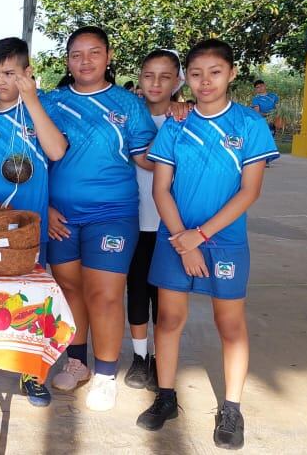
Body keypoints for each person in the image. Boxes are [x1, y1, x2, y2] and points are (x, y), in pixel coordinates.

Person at [136, 39, 278, 450]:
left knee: (230, 326)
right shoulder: (177, 124)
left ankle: (231, 408)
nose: (205, 82)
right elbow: (162, 188)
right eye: (196, 74)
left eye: (215, 72)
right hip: (175, 238)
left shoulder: (250, 125)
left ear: (232, 73)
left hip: (224, 242)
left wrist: (199, 237)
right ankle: (166, 396)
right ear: (187, 79)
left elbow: (249, 192)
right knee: (169, 320)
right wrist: (183, 239)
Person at [44, 26, 156, 412]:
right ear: (67, 60)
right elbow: (34, 159)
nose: (85, 61)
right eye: (76, 54)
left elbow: (145, 156)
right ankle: (78, 362)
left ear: (108, 57)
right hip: (60, 216)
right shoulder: (51, 103)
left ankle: (106, 374)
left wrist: (180, 122)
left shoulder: (127, 104)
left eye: (94, 53)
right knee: (71, 290)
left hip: (112, 214)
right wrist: (44, 207)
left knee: (104, 294)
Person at [0, 37, 66, 407]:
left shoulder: (43, 110)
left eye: (9, 73)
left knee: (32, 295)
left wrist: (33, 100)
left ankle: (31, 371)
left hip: (28, 225)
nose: (0, 81)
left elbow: (55, 151)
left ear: (27, 73)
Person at [125, 49, 184, 391]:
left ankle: (163, 358)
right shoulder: (130, 117)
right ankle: (139, 357)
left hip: (170, 225)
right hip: (133, 222)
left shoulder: (185, 119)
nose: (156, 83)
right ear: (140, 77)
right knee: (136, 293)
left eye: (165, 77)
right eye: (149, 75)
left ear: (178, 82)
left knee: (165, 298)